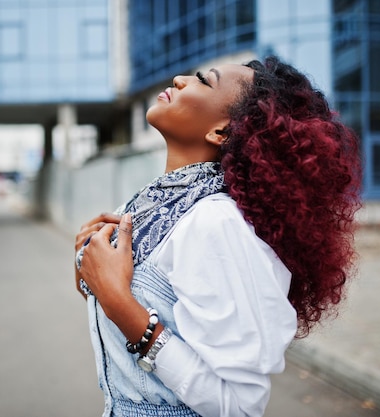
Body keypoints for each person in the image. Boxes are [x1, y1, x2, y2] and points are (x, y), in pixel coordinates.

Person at [74, 56, 361, 417]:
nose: (179, 79)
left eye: (202, 81)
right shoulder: (149, 201)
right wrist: (90, 274)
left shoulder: (215, 222)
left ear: (221, 132)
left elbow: (239, 406)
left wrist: (120, 305)